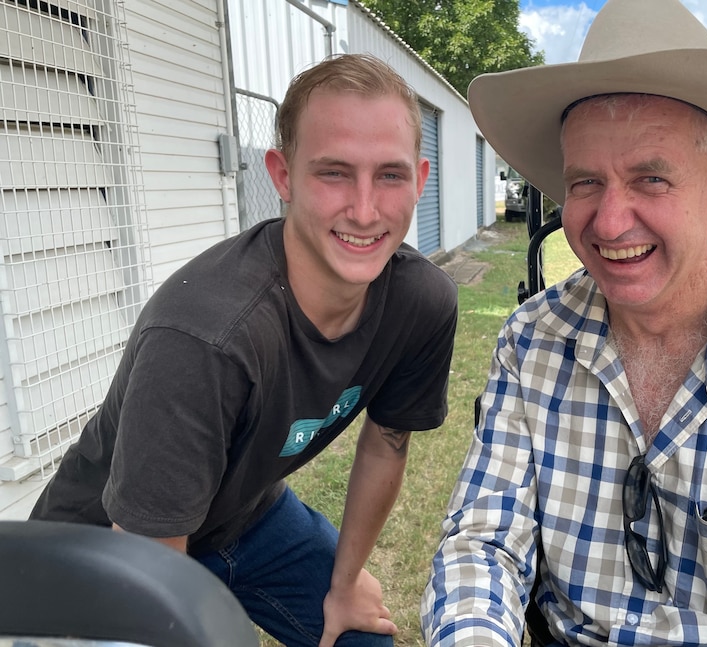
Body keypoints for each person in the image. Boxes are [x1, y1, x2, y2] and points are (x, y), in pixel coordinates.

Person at [421, 0, 707, 645]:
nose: (606, 222)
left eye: (651, 178)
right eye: (585, 182)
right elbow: (483, 544)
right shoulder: (533, 336)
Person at [29, 53, 458, 647]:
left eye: (389, 174)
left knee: (363, 637)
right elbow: (153, 578)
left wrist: (345, 579)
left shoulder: (420, 301)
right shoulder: (203, 337)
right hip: (103, 552)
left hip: (242, 518)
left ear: (421, 177)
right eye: (333, 173)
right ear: (282, 175)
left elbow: (387, 441)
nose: (365, 209)